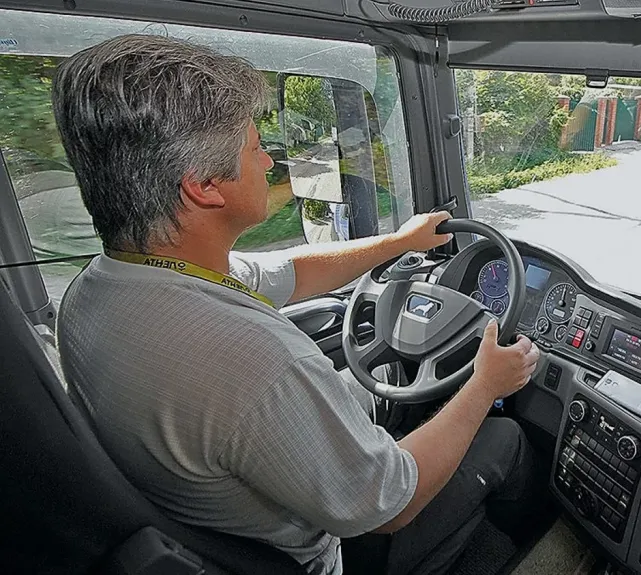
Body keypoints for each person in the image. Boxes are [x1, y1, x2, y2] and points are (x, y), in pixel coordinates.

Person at [52, 33, 542, 575]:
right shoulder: (253, 361)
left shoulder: (102, 288)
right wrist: (486, 385)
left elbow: (288, 273)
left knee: (376, 393)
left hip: (225, 522)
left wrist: (399, 242)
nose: (268, 160)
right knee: (506, 437)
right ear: (204, 186)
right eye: (253, 144)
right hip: (327, 553)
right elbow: (391, 503)